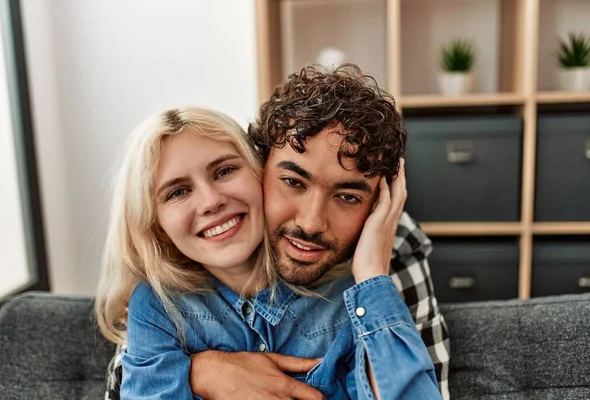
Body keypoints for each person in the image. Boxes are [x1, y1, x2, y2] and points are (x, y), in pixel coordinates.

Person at [102, 64, 450, 399]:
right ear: (263, 164)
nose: (312, 223)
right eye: (293, 181)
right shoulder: (158, 302)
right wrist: (197, 371)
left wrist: (373, 277)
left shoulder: (368, 272)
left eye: (346, 196)